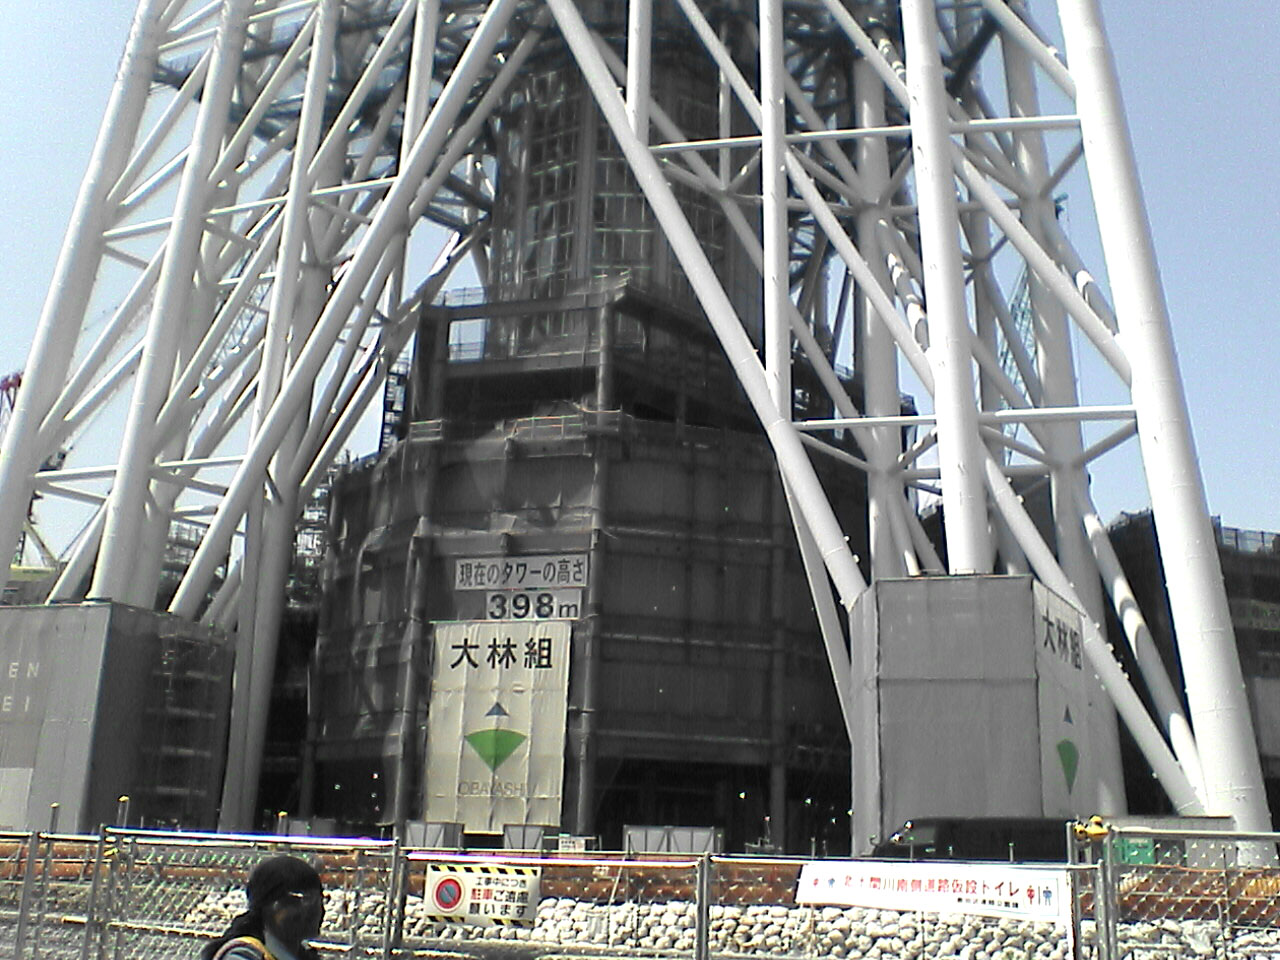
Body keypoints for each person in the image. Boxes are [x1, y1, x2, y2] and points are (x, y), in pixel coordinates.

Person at [201, 854, 325, 960]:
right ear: (273, 903)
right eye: (307, 899)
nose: (318, 910)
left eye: (319, 900)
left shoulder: (303, 954)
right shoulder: (243, 955)